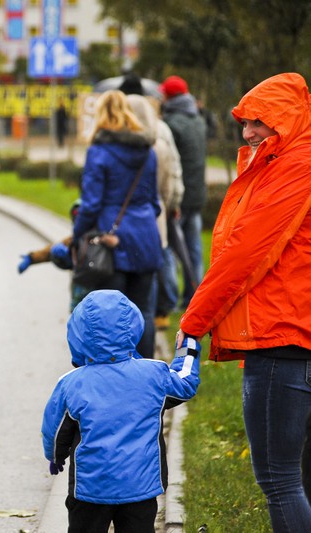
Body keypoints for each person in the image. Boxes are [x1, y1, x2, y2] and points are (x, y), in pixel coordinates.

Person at [176, 72, 311, 533]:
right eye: (245, 123)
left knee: (278, 478)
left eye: (258, 122)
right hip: (291, 332)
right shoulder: (281, 162)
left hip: (281, 338)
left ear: (286, 121)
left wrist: (194, 321)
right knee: (295, 479)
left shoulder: (295, 166)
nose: (248, 131)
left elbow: (245, 254)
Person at [42, 289, 201, 533]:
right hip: (141, 487)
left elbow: (55, 430)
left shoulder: (71, 384)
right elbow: (185, 382)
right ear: (133, 326)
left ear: (77, 334)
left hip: (90, 490)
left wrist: (55, 456)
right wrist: (186, 345)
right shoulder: (154, 375)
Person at [72, 90, 161, 358]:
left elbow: (90, 204)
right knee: (144, 309)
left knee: (112, 314)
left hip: (112, 242)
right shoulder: (148, 152)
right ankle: (146, 374)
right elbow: (155, 202)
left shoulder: (99, 152)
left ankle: (117, 375)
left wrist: (78, 236)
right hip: (146, 237)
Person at [125, 94, 184, 330]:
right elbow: (167, 185)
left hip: (125, 226)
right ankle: (165, 307)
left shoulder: (118, 145)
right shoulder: (159, 146)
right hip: (154, 217)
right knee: (159, 264)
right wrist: (168, 205)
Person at [160, 75, 207, 308]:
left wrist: (171, 200)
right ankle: (194, 298)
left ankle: (169, 299)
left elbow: (170, 165)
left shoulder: (171, 124)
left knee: (168, 247)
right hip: (197, 196)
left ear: (168, 96)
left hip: (179, 199)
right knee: (194, 249)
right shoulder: (198, 119)